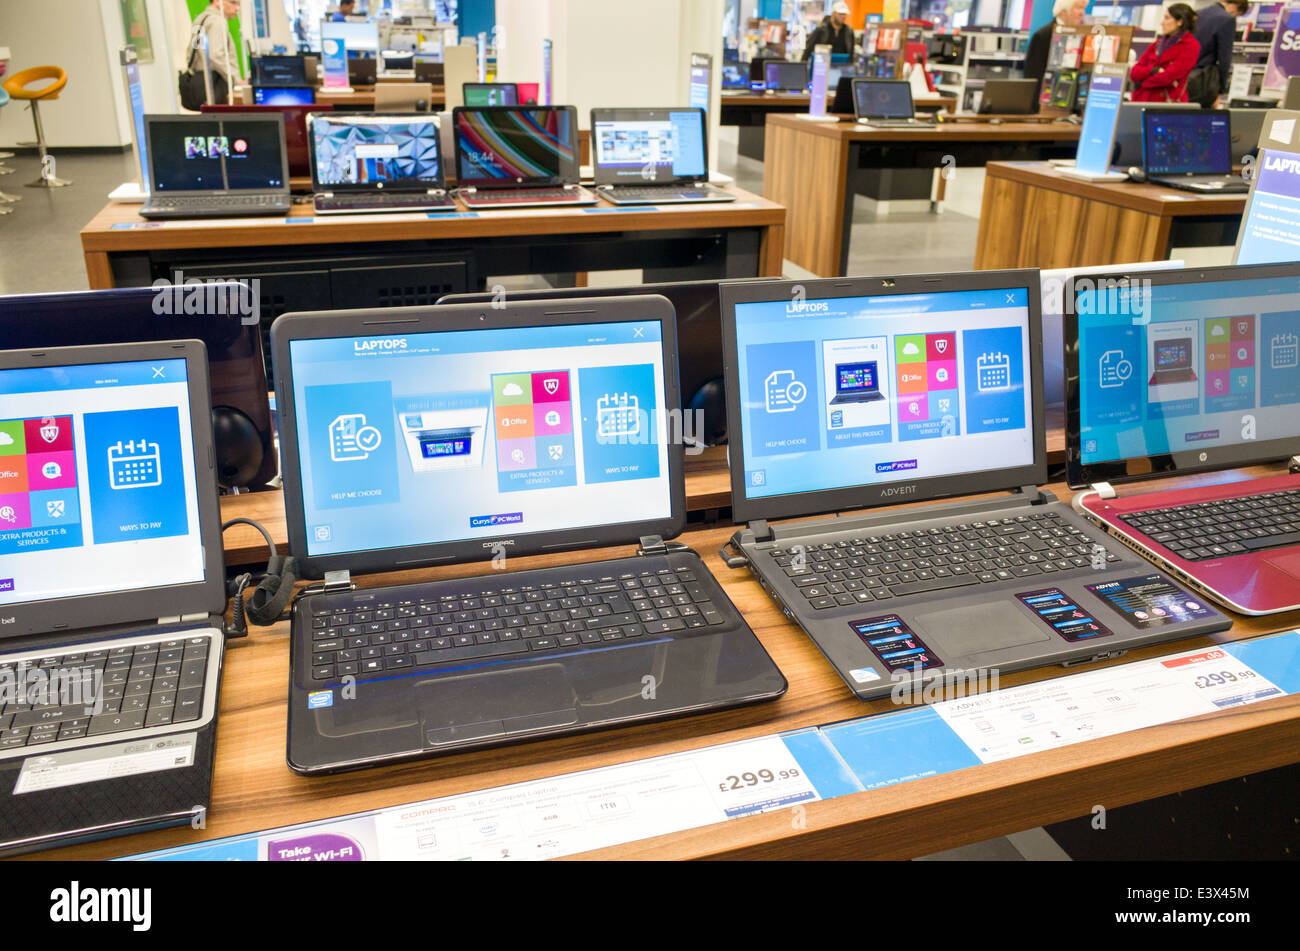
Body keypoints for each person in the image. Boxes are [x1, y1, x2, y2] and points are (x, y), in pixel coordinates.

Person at [1131, 4, 1201, 103]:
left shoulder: (1190, 46)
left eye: (1167, 18)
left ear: (1180, 22)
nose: (1162, 23)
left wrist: (1141, 83)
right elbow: (1134, 73)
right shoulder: (1157, 44)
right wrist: (1152, 71)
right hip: (1141, 100)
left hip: (1166, 103)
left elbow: (1167, 77)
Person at [1191, 0, 1249, 107]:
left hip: (1184, 77)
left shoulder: (1197, 13)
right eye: (1236, 14)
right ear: (1238, 6)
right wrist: (1219, 91)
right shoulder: (1227, 19)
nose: (1234, 16)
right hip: (1203, 82)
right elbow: (1224, 58)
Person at [188, 0, 240, 105]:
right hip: (214, 85)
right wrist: (235, 79)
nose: (237, 8)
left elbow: (190, 53)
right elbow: (215, 55)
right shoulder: (217, 21)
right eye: (233, 2)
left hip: (199, 83)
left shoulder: (201, 19)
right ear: (217, 1)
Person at [1024, 0, 1088, 83]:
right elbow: (1033, 75)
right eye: (1078, 8)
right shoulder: (1043, 35)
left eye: (1083, 8)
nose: (1082, 13)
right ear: (1064, 11)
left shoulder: (1081, 36)